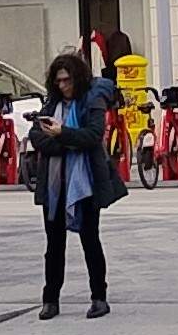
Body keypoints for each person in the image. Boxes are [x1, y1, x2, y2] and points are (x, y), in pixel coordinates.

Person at [28, 49, 124, 318]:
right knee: (53, 245)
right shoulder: (52, 105)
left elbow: (93, 136)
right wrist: (64, 142)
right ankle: (50, 300)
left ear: (77, 78)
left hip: (85, 184)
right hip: (54, 185)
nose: (63, 85)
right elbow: (37, 136)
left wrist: (63, 134)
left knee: (90, 240)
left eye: (67, 80)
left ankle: (99, 297)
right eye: (58, 81)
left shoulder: (90, 102)